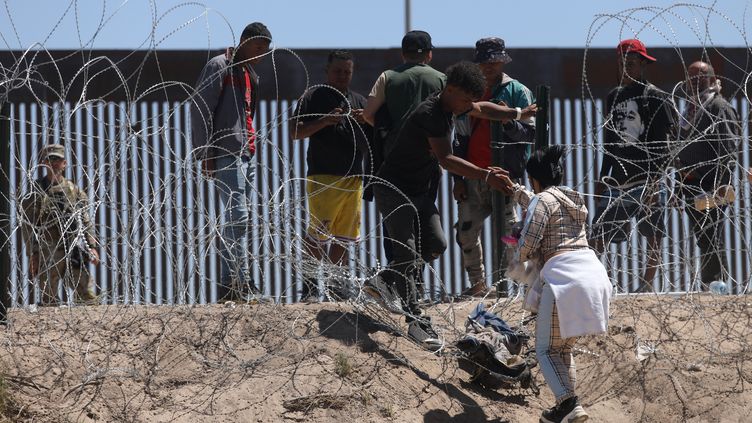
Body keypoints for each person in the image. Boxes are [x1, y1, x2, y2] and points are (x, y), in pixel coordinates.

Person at [364, 61, 536, 351]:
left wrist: (516, 113)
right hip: (394, 189)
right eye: (465, 99)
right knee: (406, 252)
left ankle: (385, 279)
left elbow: (482, 108)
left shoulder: (454, 105)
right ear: (451, 89)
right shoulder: (431, 113)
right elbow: (445, 159)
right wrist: (486, 174)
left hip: (419, 192)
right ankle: (416, 319)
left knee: (436, 245)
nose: (468, 106)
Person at [503, 145, 611, 423]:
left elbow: (528, 243)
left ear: (535, 180)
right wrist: (518, 193)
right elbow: (547, 207)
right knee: (563, 348)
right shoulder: (573, 200)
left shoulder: (541, 200)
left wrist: (517, 248)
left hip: (564, 278)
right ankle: (565, 409)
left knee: (545, 349)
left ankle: (569, 403)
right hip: (592, 274)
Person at [190, 22, 272, 303]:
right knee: (239, 216)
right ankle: (241, 282)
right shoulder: (220, 66)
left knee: (240, 218)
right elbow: (201, 108)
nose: (260, 55)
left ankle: (232, 283)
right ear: (244, 42)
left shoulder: (250, 76)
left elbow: (248, 114)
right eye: (257, 48)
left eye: (265, 51)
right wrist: (204, 153)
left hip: (244, 152)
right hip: (225, 151)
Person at [362, 30, 446, 299]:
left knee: (398, 231)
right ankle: (414, 287)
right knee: (425, 227)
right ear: (429, 54)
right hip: (429, 163)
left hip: (394, 164)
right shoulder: (441, 80)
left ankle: (398, 287)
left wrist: (392, 132)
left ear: (403, 53)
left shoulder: (389, 77)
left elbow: (368, 114)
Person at [590, 39, 676, 293]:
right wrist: (602, 176)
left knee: (652, 233)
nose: (626, 69)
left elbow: (664, 143)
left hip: (646, 176)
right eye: (622, 64)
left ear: (642, 65)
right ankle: (597, 283)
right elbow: (609, 140)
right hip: (617, 177)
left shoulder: (655, 97)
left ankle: (646, 284)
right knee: (601, 232)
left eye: (631, 64)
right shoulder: (613, 97)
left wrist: (655, 179)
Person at [452, 37, 535, 297]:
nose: (489, 66)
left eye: (494, 60)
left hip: (505, 177)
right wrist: (458, 178)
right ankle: (478, 285)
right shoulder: (472, 93)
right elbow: (460, 137)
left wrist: (508, 119)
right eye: (484, 61)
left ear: (502, 61)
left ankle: (516, 288)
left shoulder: (517, 91)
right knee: (466, 232)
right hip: (474, 174)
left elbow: (529, 134)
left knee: (510, 237)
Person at [290, 50, 370, 302]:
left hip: (354, 177)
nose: (342, 76)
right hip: (323, 176)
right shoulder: (313, 96)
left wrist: (366, 120)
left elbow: (375, 136)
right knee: (318, 233)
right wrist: (324, 121)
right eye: (338, 71)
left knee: (343, 236)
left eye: (347, 72)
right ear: (327, 71)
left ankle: (337, 286)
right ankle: (311, 287)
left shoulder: (359, 101)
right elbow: (295, 131)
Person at [676, 61, 740, 289]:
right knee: (704, 236)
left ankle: (715, 284)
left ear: (712, 80)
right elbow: (681, 153)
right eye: (690, 78)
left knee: (711, 234)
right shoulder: (689, 111)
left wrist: (720, 186)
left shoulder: (718, 107)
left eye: (699, 77)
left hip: (710, 184)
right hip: (690, 184)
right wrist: (678, 186)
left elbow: (728, 150)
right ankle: (712, 283)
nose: (693, 83)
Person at [20, 144, 100, 306]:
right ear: (44, 163)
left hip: (73, 246)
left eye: (58, 160)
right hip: (49, 248)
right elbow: (28, 225)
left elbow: (85, 220)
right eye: (50, 159)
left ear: (64, 163)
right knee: (48, 297)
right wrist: (33, 254)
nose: (54, 163)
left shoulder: (74, 190)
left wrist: (92, 246)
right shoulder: (37, 190)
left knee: (86, 293)